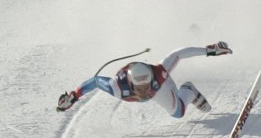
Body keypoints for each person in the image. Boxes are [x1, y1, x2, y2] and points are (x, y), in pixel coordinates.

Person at [56, 42, 233, 117]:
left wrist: (210, 50)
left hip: (162, 88)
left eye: (147, 86)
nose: (146, 91)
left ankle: (188, 90)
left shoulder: (158, 74)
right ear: (131, 84)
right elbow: (94, 81)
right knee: (178, 114)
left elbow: (178, 54)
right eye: (141, 89)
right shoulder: (117, 87)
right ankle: (188, 91)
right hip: (152, 86)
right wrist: (74, 96)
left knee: (178, 112)